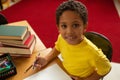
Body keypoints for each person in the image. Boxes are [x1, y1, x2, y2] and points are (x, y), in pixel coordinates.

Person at [35, 0, 111, 80]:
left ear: (85, 26)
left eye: (75, 25)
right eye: (64, 26)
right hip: (66, 74)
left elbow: (106, 68)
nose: (69, 32)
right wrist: (46, 59)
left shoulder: (93, 52)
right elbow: (58, 48)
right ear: (58, 28)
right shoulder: (61, 38)